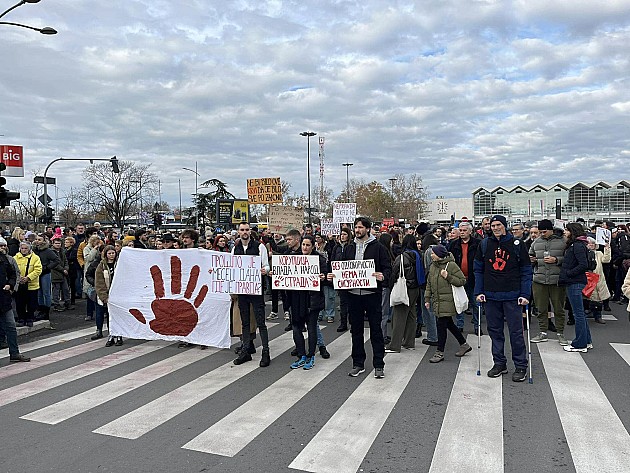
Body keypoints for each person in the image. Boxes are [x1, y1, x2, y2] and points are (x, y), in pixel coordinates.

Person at [330, 217, 391, 379]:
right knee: (355, 331)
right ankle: (358, 363)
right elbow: (343, 268)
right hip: (353, 295)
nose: (357, 230)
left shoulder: (378, 248)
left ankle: (379, 364)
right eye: (356, 227)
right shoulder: (349, 248)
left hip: (372, 295)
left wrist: (383, 276)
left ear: (368, 229)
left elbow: (388, 269)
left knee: (376, 331)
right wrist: (334, 276)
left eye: (361, 227)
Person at [474, 215, 532, 382]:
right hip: (491, 295)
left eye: (499, 225)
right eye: (493, 225)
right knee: (495, 332)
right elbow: (478, 269)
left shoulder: (517, 244)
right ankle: (499, 363)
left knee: (516, 332)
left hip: (512, 295)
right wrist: (479, 291)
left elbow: (526, 270)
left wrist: (525, 294)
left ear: (505, 226)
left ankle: (520, 365)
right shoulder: (485, 244)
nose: (495, 227)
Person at [285, 235, 329, 370]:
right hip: (296, 299)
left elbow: (327, 278)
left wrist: (323, 278)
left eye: (308, 245)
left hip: (312, 299)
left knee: (311, 327)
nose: (305, 247)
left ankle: (311, 355)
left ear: (313, 246)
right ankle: (302, 355)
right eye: (303, 245)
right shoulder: (293, 259)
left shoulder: (319, 260)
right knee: (296, 326)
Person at [232, 222, 271, 367]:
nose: (244, 232)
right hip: (243, 291)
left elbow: (266, 265)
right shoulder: (235, 248)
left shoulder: (259, 247)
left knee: (261, 322)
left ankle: (266, 351)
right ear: (238, 232)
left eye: (247, 229)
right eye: (242, 230)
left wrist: (265, 270)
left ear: (250, 231)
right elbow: (230, 267)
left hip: (256, 290)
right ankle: (246, 350)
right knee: (245, 322)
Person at [424, 245, 471, 363]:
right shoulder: (433, 266)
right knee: (449, 324)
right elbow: (429, 283)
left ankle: (439, 352)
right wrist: (427, 298)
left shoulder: (451, 265)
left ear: (439, 255)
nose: (431, 255)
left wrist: (448, 276)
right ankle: (464, 344)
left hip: (448, 301)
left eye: (433, 253)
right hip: (437, 301)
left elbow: (462, 281)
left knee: (441, 326)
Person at [529, 219, 568, 345]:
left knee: (559, 309)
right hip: (539, 280)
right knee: (541, 309)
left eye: (544, 231)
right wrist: (532, 259)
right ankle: (542, 332)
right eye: (540, 231)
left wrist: (556, 259)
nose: (541, 234)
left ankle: (560, 333)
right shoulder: (536, 242)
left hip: (557, 280)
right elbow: (530, 255)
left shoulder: (562, 241)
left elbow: (569, 259)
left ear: (551, 229)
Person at [386, 234, 423, 353]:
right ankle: (409, 342)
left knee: (399, 317)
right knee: (412, 316)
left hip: (404, 288)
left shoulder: (402, 257)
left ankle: (394, 345)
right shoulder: (417, 255)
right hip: (415, 288)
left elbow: (394, 273)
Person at [559, 223, 592, 352]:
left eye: (567, 230)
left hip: (575, 282)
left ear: (573, 231)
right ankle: (586, 340)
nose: (565, 232)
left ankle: (580, 344)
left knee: (578, 314)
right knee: (580, 314)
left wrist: (569, 273)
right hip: (575, 281)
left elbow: (583, 264)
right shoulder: (577, 244)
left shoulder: (577, 245)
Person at [447, 221, 481, 333]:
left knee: (476, 304)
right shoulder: (454, 244)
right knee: (459, 302)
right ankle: (460, 325)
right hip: (458, 278)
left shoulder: (477, 244)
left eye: (464, 230)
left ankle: (477, 326)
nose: (462, 233)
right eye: (460, 230)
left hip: (473, 278)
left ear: (470, 231)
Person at [0, 237, 29, 361]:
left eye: (3, 245)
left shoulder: (5, 259)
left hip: (4, 299)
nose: (3, 248)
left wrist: (10, 285)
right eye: (0, 246)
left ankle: (14, 353)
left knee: (11, 326)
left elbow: (13, 274)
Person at [94, 245, 122, 346]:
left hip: (118, 294)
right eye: (109, 253)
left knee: (117, 316)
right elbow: (99, 282)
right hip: (106, 294)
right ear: (105, 254)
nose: (111, 255)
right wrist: (104, 296)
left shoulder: (119, 264)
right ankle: (111, 335)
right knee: (108, 316)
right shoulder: (101, 266)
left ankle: (119, 335)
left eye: (113, 253)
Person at [14, 242, 43, 327]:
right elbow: (12, 270)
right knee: (20, 303)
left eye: (26, 248)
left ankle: (30, 318)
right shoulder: (15, 258)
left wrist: (28, 277)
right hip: (19, 284)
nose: (24, 250)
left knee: (31, 303)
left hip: (32, 285)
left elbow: (38, 270)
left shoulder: (35, 258)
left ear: (29, 249)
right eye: (22, 248)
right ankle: (21, 319)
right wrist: (19, 278)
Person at [33, 234, 60, 321]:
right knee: (39, 293)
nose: (37, 241)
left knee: (46, 293)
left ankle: (47, 311)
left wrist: (48, 267)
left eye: (40, 239)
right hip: (37, 272)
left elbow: (56, 260)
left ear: (44, 241)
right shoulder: (34, 250)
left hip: (45, 273)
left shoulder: (48, 251)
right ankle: (41, 310)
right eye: (37, 239)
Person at [585, 237, 611, 323]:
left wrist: (607, 249)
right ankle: (590, 311)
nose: (591, 245)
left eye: (593, 244)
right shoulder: (584, 253)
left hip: (598, 278)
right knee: (588, 297)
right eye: (589, 243)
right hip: (588, 278)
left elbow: (606, 260)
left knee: (598, 298)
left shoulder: (599, 253)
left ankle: (598, 316)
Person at [331, 227, 353, 332]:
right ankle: (343, 323)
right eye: (341, 234)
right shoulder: (337, 247)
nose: (342, 236)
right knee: (343, 302)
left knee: (352, 302)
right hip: (340, 278)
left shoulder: (352, 246)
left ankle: (353, 322)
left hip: (351, 278)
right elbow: (332, 260)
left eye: (345, 234)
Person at [50, 235, 71, 312]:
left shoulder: (62, 251)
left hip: (63, 273)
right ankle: (56, 304)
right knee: (56, 290)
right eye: (56, 243)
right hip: (55, 273)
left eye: (59, 243)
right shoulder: (51, 252)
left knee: (66, 289)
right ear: (53, 244)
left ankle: (67, 302)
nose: (58, 245)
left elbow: (65, 261)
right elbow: (54, 264)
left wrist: (66, 268)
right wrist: (63, 270)